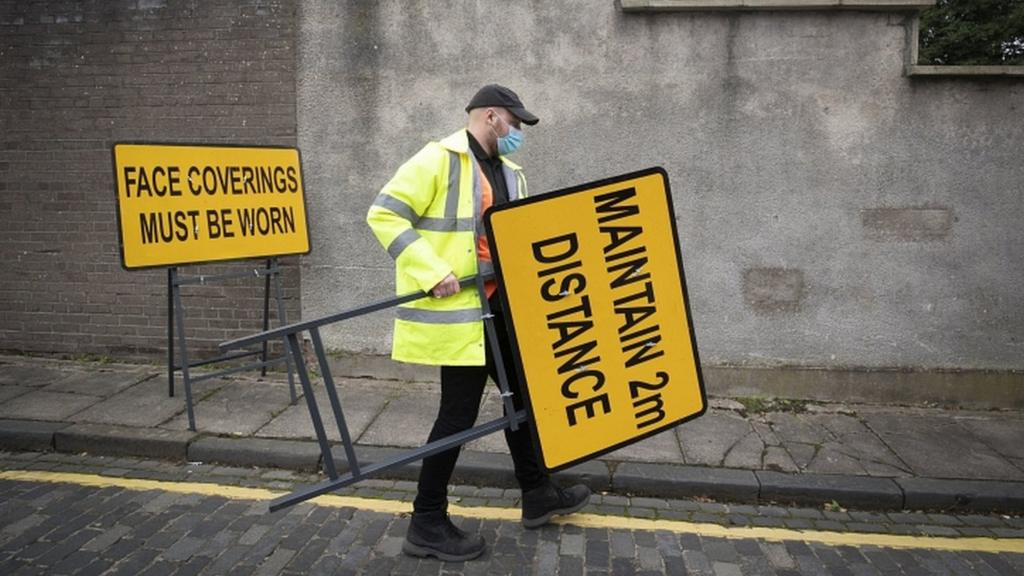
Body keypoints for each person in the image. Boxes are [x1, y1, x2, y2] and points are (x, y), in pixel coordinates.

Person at [366, 84, 591, 561]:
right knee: (457, 415)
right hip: (465, 314)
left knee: (524, 399)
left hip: (504, 310)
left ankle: (537, 492)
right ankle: (426, 521)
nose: (518, 132)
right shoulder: (439, 159)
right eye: (515, 122)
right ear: (491, 117)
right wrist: (433, 271)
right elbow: (384, 213)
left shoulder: (510, 172)